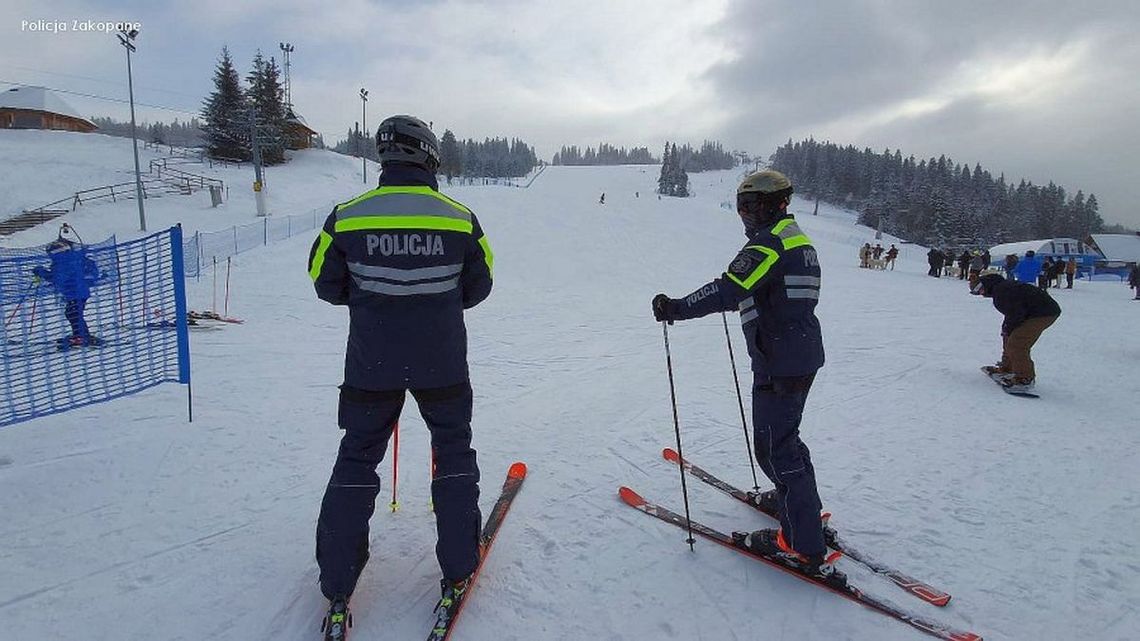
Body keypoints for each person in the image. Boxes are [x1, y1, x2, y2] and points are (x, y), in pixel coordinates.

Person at [307, 114, 494, 636]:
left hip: (372, 365)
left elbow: (324, 281)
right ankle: (458, 568)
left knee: (356, 458)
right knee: (453, 456)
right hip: (443, 366)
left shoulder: (347, 215)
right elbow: (479, 286)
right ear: (429, 156)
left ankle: (338, 582)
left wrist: (374, 303)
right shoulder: (459, 218)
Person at [650, 169, 842, 584]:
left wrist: (675, 308)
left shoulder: (770, 243)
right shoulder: (794, 239)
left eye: (748, 207)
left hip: (781, 360)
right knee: (781, 443)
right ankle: (798, 509)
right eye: (741, 208)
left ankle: (802, 544)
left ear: (771, 205)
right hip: (794, 354)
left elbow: (728, 289)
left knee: (778, 449)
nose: (744, 215)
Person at [973, 273, 1061, 393]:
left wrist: (1008, 328)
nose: (981, 294)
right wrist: (1007, 329)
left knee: (1017, 343)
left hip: (1043, 314)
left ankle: (1025, 378)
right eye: (977, 292)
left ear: (988, 284)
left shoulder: (1002, 291)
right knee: (1008, 336)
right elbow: (1013, 311)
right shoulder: (1002, 289)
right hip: (1031, 312)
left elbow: (1016, 313)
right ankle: (1007, 368)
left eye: (980, 289)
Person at [32, 236, 101, 349]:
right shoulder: (69, 258)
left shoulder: (62, 263)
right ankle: (81, 334)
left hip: (75, 292)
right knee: (73, 313)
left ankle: (81, 336)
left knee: (73, 313)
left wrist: (41, 272)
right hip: (78, 291)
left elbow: (55, 278)